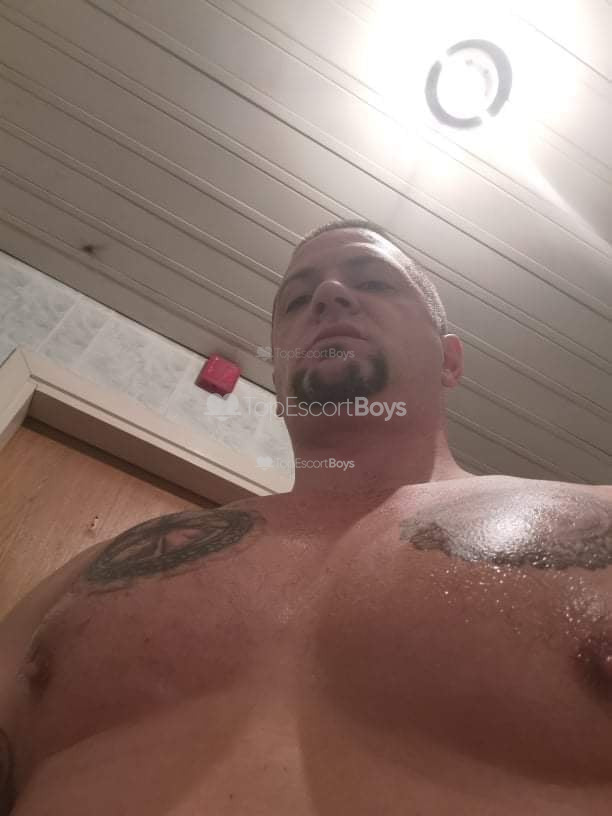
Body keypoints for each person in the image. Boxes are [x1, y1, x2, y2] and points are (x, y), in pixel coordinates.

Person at [1, 219, 611, 815]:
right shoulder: (101, 570)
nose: (328, 295)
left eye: (373, 281)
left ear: (449, 361)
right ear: (278, 379)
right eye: (297, 300)